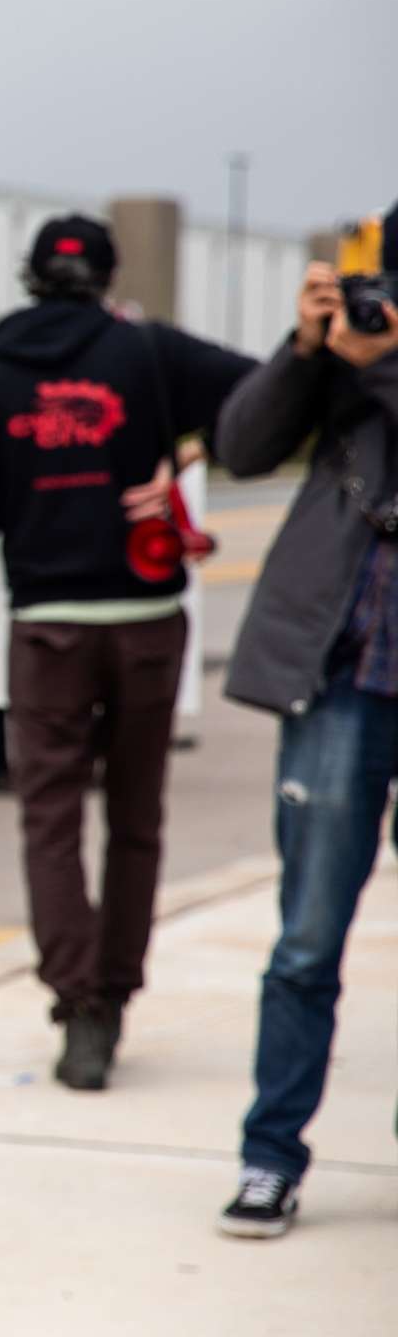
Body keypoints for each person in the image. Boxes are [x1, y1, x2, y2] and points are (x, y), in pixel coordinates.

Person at [0, 214, 255, 1091]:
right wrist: (186, 455)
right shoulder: (148, 352)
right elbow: (270, 397)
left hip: (47, 622)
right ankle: (115, 992)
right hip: (147, 615)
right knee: (135, 818)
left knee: (50, 819)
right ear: (108, 280)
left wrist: (28, 486)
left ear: (30, 278)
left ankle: (75, 1003)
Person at [208, 255, 398, 1238]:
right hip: (340, 680)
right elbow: (239, 446)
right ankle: (270, 1155)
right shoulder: (347, 355)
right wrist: (306, 350)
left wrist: (381, 366)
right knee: (306, 939)